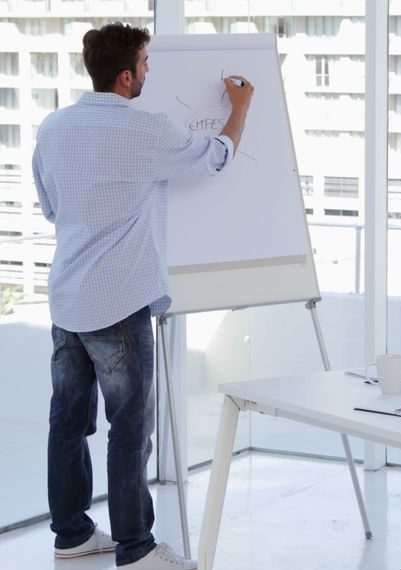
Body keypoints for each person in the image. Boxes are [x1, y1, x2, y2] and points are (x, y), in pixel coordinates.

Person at [34, 23, 253, 570]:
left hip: (67, 299)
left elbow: (52, 206)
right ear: (126, 76)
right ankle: (136, 549)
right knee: (129, 430)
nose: (150, 69)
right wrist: (241, 107)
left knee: (68, 423)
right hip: (119, 301)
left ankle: (72, 536)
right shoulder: (145, 130)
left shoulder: (53, 127)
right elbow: (215, 156)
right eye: (146, 62)